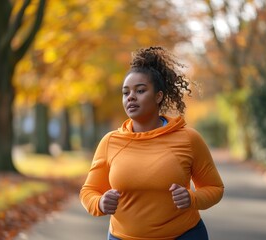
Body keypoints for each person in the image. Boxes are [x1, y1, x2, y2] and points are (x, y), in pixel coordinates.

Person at [79, 46, 224, 240]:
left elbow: (215, 188)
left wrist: (192, 198)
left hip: (183, 235)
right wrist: (100, 203)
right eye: (125, 92)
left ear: (159, 96)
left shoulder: (188, 139)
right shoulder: (110, 142)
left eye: (140, 90)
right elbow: (89, 191)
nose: (131, 97)